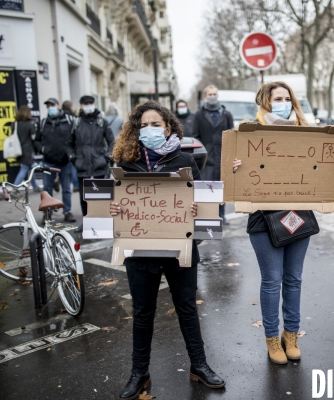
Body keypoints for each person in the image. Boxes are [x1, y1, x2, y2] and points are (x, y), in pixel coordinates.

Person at [109, 101, 225, 398]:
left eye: (155, 124)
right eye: (143, 125)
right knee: (143, 312)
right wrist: (112, 208)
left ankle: (199, 365)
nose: (150, 129)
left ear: (169, 127)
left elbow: (206, 204)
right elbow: (105, 204)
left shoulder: (185, 160)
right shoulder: (123, 163)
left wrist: (200, 207)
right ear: (135, 129)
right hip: (139, 250)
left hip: (179, 248)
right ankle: (139, 373)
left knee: (187, 307)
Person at [232, 82, 334, 365]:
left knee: (293, 279)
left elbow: (321, 171)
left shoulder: (308, 134)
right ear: (265, 103)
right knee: (272, 280)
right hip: (263, 218)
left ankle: (290, 335)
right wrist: (234, 169)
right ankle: (272, 338)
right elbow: (234, 180)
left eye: (286, 98)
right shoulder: (249, 134)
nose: (282, 102)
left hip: (297, 216)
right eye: (276, 98)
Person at [192, 85, 234, 222]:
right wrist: (201, 152)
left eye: (214, 94)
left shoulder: (226, 114)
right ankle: (208, 214)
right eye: (209, 94)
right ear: (205, 96)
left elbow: (232, 134)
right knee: (208, 186)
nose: (212, 96)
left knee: (222, 186)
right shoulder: (199, 114)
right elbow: (195, 135)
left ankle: (222, 214)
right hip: (207, 157)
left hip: (223, 154)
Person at [71, 95, 115, 217]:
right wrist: (73, 158)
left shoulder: (102, 122)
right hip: (82, 163)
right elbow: (68, 143)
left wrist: (107, 156)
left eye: (90, 103)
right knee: (83, 196)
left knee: (100, 195)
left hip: (99, 163)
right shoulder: (76, 122)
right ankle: (86, 220)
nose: (88, 105)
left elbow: (112, 141)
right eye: (86, 103)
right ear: (81, 105)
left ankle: (99, 221)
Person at [34, 98, 76, 224]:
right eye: (48, 106)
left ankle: (67, 211)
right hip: (48, 161)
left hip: (65, 161)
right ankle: (48, 213)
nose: (50, 108)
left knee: (67, 189)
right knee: (47, 188)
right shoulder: (43, 123)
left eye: (52, 105)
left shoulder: (69, 121)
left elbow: (75, 137)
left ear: (58, 106)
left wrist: (71, 153)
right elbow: (36, 140)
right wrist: (42, 149)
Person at [12, 105, 41, 192]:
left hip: (18, 149)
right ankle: (15, 187)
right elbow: (33, 137)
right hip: (28, 149)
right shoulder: (29, 124)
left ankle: (35, 186)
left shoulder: (15, 124)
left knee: (29, 169)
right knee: (25, 168)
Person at [62, 100, 79, 191]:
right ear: (71, 107)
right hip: (71, 147)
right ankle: (76, 184)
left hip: (62, 147)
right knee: (72, 167)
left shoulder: (60, 117)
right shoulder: (72, 119)